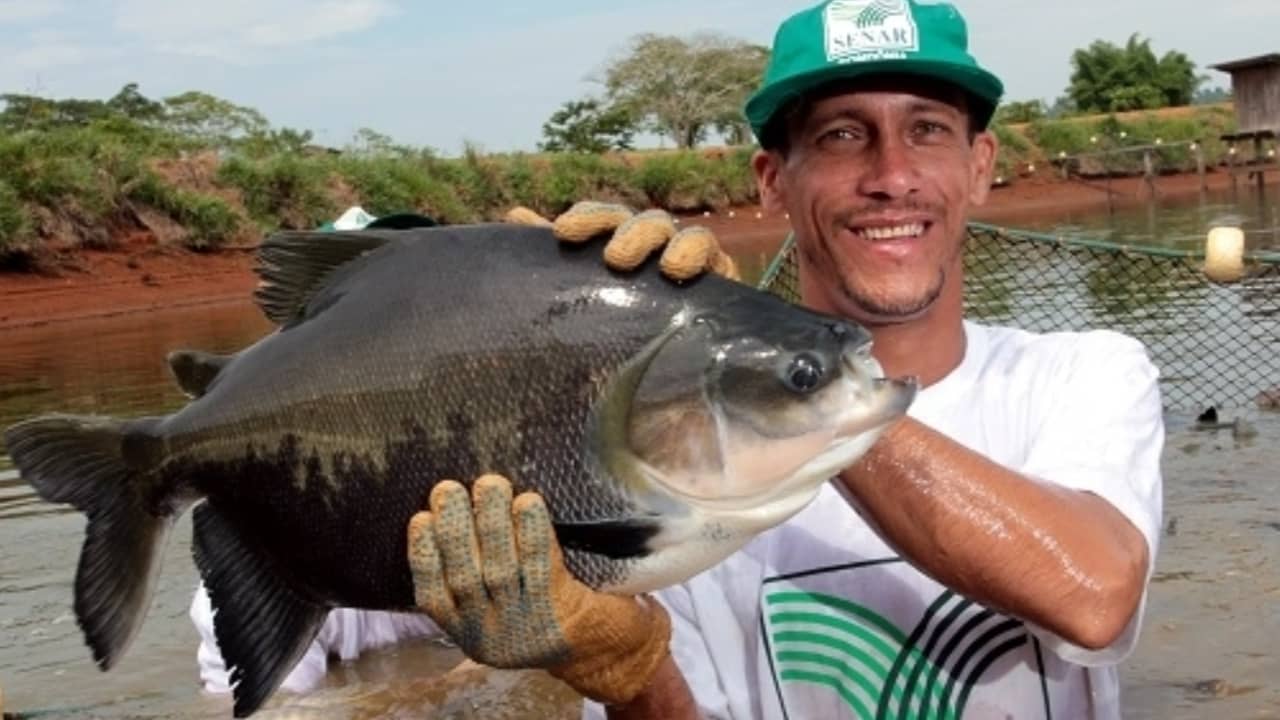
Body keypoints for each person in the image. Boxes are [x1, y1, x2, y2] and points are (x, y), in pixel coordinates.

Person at [197, 1, 1165, 717]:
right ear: (770, 180)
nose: (889, 176)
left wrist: (769, 366)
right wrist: (628, 676)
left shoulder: (1083, 375)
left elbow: (1089, 595)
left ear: (980, 167)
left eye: (926, 129)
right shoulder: (660, 485)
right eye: (839, 136)